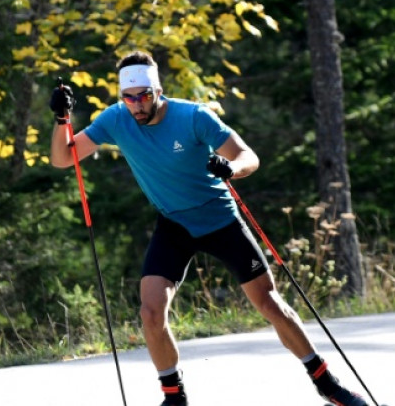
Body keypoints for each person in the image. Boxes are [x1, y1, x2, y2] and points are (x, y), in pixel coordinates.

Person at [48, 51, 367, 406]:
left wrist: (232, 168)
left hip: (219, 219)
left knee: (269, 303)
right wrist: (63, 119)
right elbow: (63, 158)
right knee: (150, 311)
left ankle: (328, 385)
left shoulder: (193, 116)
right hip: (173, 223)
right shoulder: (116, 120)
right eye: (129, 97)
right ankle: (174, 397)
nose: (136, 105)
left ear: (158, 90)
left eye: (144, 96)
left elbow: (248, 156)